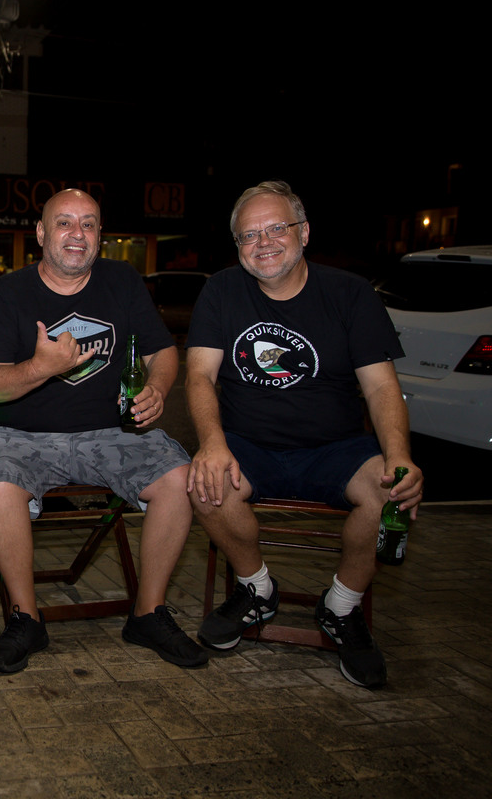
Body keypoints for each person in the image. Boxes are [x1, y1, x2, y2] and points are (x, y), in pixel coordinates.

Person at [186, 180, 423, 689]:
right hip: (249, 444)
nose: (264, 242)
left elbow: (382, 387)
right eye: (250, 235)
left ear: (304, 232)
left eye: (277, 228)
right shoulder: (222, 290)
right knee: (203, 484)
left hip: (337, 447)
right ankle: (257, 589)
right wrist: (212, 442)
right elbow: (200, 376)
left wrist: (399, 456)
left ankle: (342, 606)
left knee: (391, 495)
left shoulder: (350, 294)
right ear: (238, 245)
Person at [0, 188, 207, 674]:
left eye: (88, 224)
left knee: (179, 478)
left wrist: (158, 388)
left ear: (100, 235)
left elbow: (163, 352)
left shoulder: (122, 281)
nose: (77, 233)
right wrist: (42, 366)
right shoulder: (8, 292)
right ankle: (26, 619)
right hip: (21, 436)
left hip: (110, 433)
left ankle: (148, 613)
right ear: (41, 233)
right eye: (64, 222)